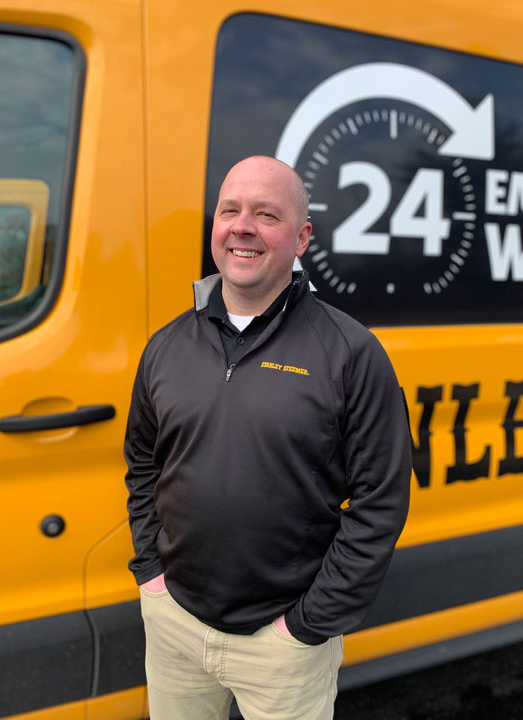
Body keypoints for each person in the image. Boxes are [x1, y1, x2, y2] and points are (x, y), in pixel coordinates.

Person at [124, 155, 412, 720]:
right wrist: (150, 573)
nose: (243, 226)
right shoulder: (166, 345)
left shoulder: (350, 353)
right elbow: (142, 464)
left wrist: (307, 625)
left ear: (302, 237)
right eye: (229, 210)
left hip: (283, 647)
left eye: (266, 214)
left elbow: (381, 501)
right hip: (174, 624)